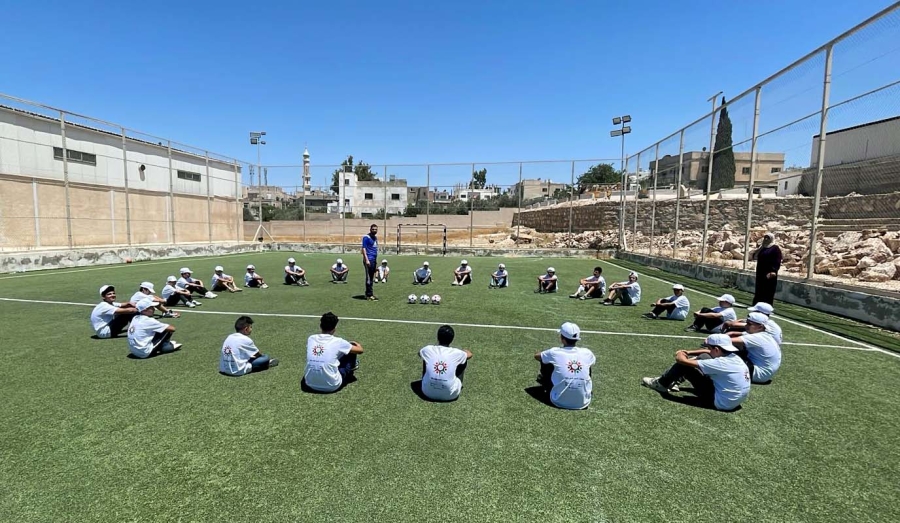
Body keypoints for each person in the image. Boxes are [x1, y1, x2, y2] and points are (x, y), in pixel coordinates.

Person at [641, 333, 750, 412]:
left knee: (685, 366)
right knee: (704, 356)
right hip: (734, 401)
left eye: (710, 347)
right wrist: (689, 352)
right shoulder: (733, 357)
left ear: (717, 349)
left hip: (721, 402)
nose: (708, 349)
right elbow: (707, 353)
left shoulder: (720, 363)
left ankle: (661, 384)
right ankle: (674, 381)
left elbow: (681, 360)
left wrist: (681, 353)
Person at [534, 322, 596, 410]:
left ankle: (545, 383)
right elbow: (592, 362)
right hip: (583, 402)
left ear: (562, 339)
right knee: (587, 364)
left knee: (545, 361)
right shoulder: (587, 353)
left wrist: (539, 352)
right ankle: (582, 390)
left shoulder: (554, 352)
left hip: (558, 400)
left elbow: (537, 356)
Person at [303, 312, 364, 393]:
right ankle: (351, 368)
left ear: (320, 326)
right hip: (332, 386)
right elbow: (360, 350)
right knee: (351, 348)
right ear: (334, 328)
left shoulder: (311, 338)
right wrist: (357, 344)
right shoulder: (338, 341)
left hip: (309, 384)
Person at [418, 325, 473, 402]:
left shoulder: (428, 349)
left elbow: (419, 353)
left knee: (425, 357)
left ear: (438, 337)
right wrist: (463, 351)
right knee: (464, 359)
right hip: (450, 395)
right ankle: (455, 384)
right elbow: (470, 354)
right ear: (452, 339)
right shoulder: (456, 353)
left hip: (427, 392)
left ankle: (429, 382)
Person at [730, 312, 782, 384]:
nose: (746, 326)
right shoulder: (764, 335)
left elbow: (726, 341)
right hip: (763, 374)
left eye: (749, 324)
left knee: (723, 353)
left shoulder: (758, 337)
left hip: (758, 375)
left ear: (760, 327)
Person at [751, 231, 782, 305]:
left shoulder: (775, 248)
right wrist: (760, 248)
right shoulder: (762, 248)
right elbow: (754, 256)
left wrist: (774, 271)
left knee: (768, 290)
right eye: (765, 237)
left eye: (768, 238)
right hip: (760, 272)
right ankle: (757, 305)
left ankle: (767, 306)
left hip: (769, 273)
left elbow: (777, 260)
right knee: (759, 289)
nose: (766, 239)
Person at [362, 223, 379, 301]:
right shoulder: (366, 237)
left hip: (373, 260)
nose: (374, 231)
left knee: (371, 278)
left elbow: (374, 250)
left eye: (376, 229)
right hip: (368, 260)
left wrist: (375, 261)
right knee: (369, 277)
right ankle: (369, 295)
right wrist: (367, 260)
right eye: (373, 229)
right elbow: (364, 249)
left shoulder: (375, 238)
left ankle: (368, 293)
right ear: (370, 229)